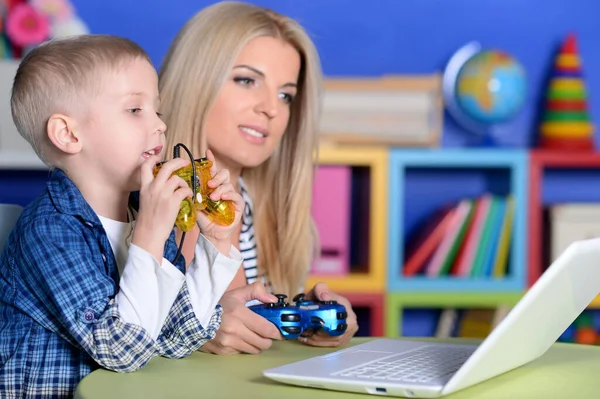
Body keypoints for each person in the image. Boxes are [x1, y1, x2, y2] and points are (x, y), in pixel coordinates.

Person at [0, 34, 277, 397]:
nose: (160, 125)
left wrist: (216, 242)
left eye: (157, 110)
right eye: (135, 110)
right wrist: (149, 237)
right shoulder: (49, 230)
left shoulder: (142, 217)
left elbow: (180, 334)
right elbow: (120, 349)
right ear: (68, 134)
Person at [159, 1, 359, 355]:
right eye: (247, 80)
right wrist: (199, 331)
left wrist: (307, 318)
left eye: (286, 95)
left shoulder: (254, 202)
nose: (271, 108)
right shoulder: (161, 201)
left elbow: (250, 332)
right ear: (196, 81)